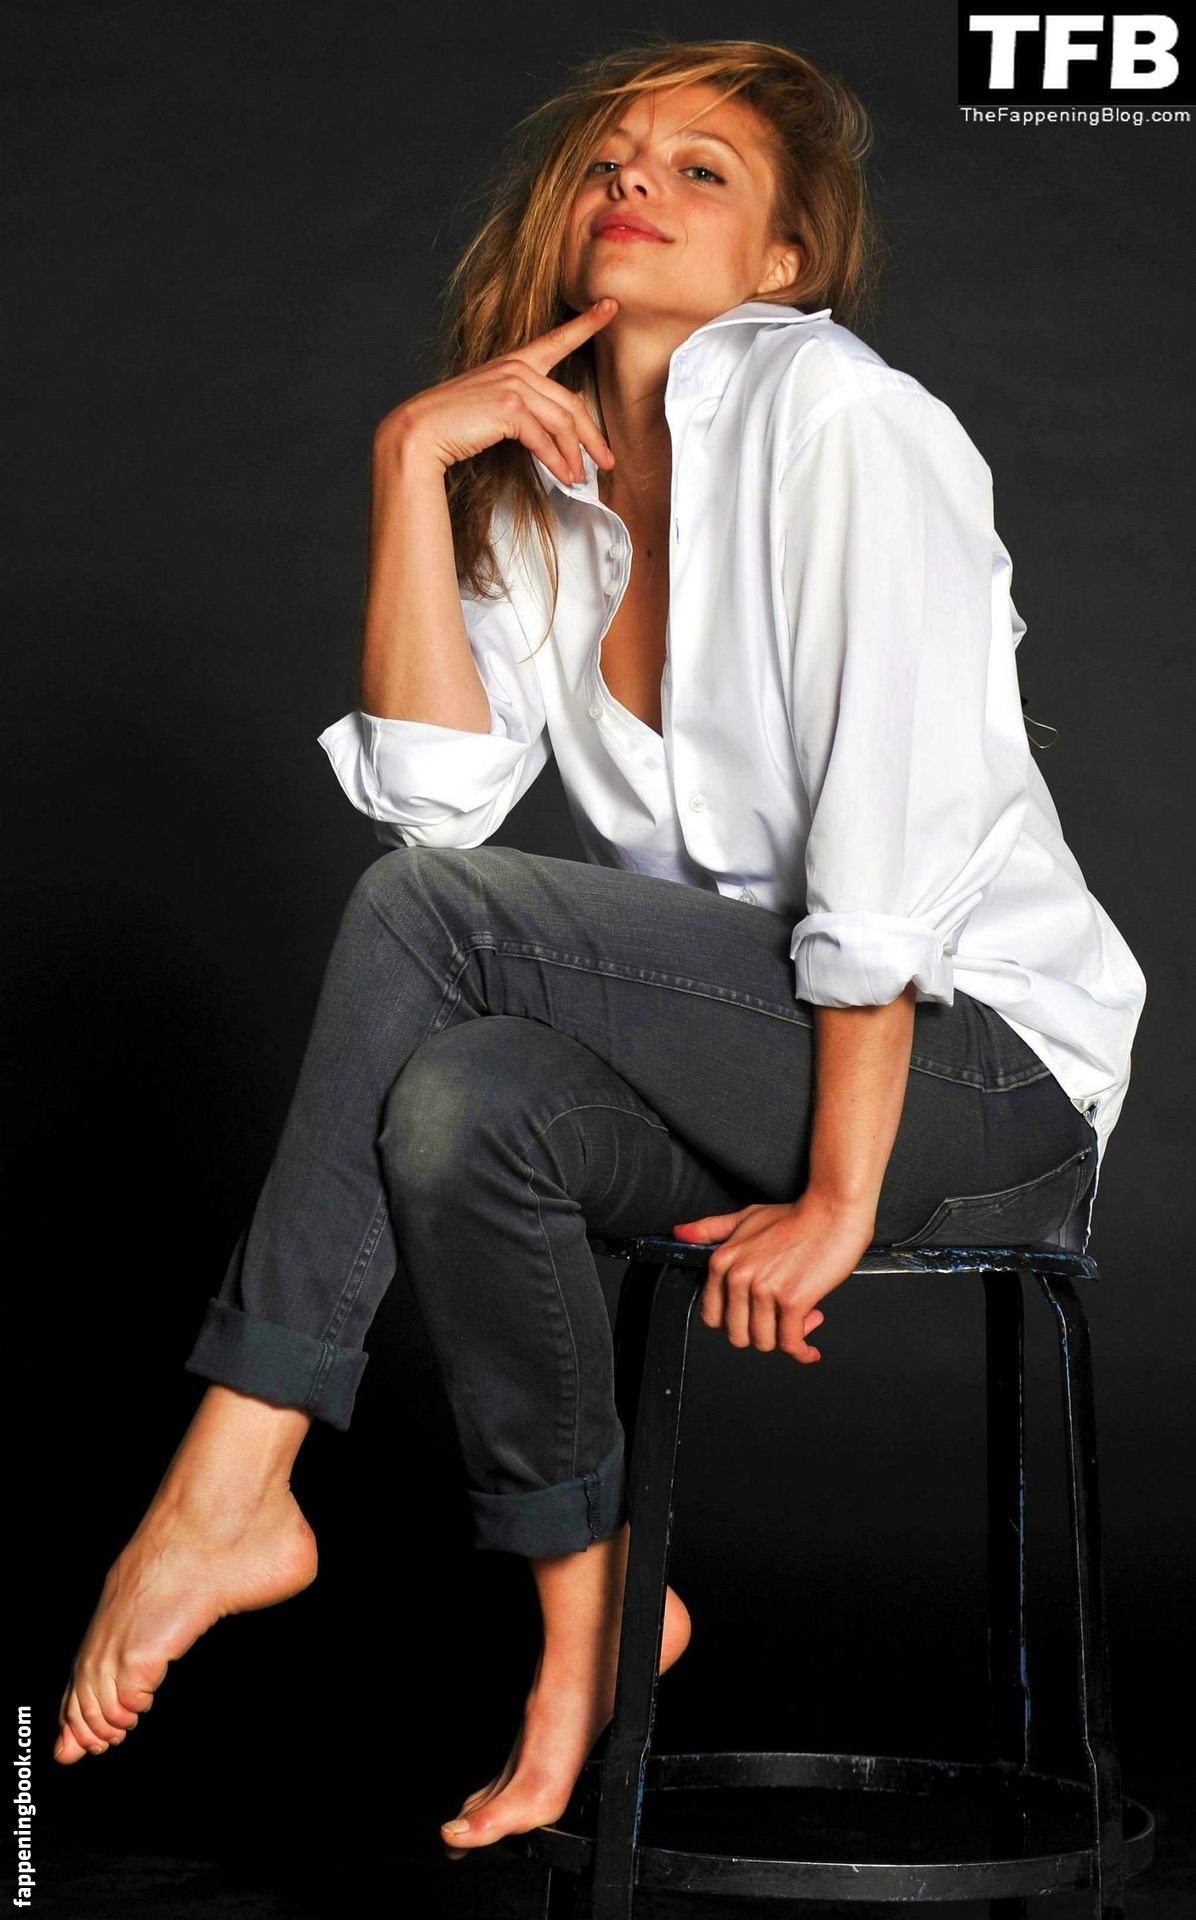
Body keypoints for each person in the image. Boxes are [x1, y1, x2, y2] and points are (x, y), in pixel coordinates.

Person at [54, 35, 1146, 1859]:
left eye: (701, 169)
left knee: (431, 932)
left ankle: (230, 1481)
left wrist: (842, 1194)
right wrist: (411, 458)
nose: (633, 180)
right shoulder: (548, 480)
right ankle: (598, 1620)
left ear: (784, 260)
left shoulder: (838, 418)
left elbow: (893, 831)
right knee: (463, 1105)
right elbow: (434, 801)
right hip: (771, 1050)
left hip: (984, 1073)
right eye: (612, 160)